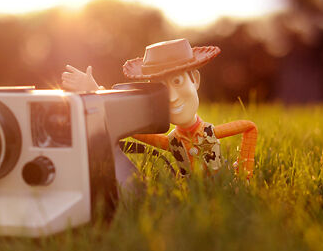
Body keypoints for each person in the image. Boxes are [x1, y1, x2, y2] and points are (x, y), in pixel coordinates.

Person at [62, 38, 258, 178]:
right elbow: (128, 128)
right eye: (161, 88)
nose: (171, 97)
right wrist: (96, 92)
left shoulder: (210, 132)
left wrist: (245, 170)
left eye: (177, 81)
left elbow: (250, 127)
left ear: (195, 80)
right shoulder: (172, 141)